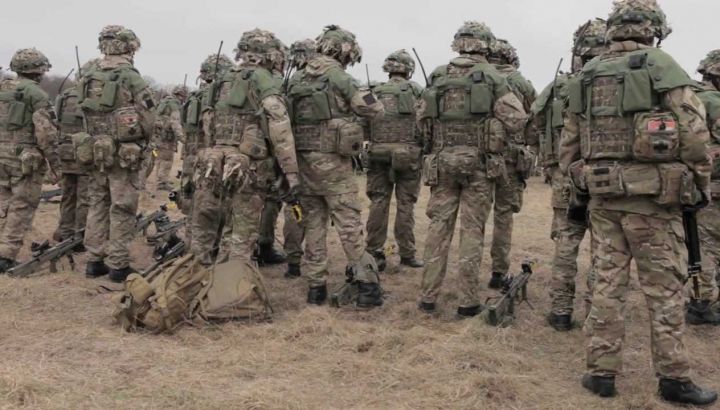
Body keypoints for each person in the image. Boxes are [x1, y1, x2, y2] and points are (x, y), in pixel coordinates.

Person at [559, 0, 717, 405]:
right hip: (654, 203)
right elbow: (694, 133)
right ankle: (674, 378)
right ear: (653, 29)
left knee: (606, 286)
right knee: (663, 291)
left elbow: (569, 144)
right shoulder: (661, 65)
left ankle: (601, 373)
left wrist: (582, 180)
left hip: (603, 198)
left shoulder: (587, 74)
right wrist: (698, 184)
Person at [417, 21, 527, 316]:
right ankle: (467, 302)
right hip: (479, 166)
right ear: (486, 45)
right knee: (472, 231)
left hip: (442, 164)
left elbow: (421, 118)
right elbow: (517, 119)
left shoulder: (439, 75)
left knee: (438, 228)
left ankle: (427, 298)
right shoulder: (492, 76)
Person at [286, 25, 385, 307]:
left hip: (304, 164)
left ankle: (316, 287)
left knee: (313, 225)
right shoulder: (340, 77)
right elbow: (374, 108)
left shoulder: (296, 78)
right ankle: (367, 287)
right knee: (348, 223)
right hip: (334, 166)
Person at [199, 29, 300, 273]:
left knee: (229, 223)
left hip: (219, 160)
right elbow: (280, 127)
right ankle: (234, 282)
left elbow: (207, 120)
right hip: (249, 166)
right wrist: (290, 171)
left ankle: (221, 273)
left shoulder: (223, 78)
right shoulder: (262, 78)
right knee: (244, 229)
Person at [533, 18, 607, 331]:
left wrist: (552, 164)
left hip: (567, 176)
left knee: (566, 244)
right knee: (603, 249)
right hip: (606, 176)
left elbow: (536, 123)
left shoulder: (559, 87)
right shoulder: (616, 79)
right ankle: (595, 312)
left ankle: (561, 311)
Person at [81, 25, 156, 282]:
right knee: (122, 207)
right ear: (129, 46)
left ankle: (94, 261)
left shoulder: (88, 76)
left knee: (97, 204)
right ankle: (118, 265)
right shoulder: (130, 76)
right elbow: (148, 114)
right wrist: (144, 139)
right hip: (125, 154)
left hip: (95, 150)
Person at [0, 48, 59, 272]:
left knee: (3, 203)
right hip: (24, 160)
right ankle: (5, 255)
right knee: (21, 206)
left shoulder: (2, 88)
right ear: (38, 70)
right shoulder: (36, 95)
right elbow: (47, 135)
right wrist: (56, 165)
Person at [365, 49, 424, 271]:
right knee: (406, 204)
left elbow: (363, 119)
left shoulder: (372, 92)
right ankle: (407, 253)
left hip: (378, 155)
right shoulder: (417, 90)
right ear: (408, 69)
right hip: (409, 156)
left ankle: (374, 252)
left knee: (378, 202)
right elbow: (425, 121)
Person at [486, 38, 536, 289]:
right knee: (504, 215)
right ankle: (498, 272)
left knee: (474, 217)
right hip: (510, 157)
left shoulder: (482, 77)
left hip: (483, 156)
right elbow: (532, 118)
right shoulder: (521, 82)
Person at [189, 53, 234, 265]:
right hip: (217, 157)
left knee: (201, 210)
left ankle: (199, 256)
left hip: (202, 158)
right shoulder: (223, 96)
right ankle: (217, 258)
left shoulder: (198, 98)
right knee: (223, 210)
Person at [53, 59, 101, 253]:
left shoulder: (64, 96)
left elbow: (56, 121)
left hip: (65, 151)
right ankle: (79, 236)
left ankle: (64, 231)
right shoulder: (92, 97)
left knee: (68, 195)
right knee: (84, 197)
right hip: (84, 153)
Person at [687, 50, 720, 325]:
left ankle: (700, 299)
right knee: (709, 247)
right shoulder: (713, 102)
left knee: (701, 245)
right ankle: (704, 304)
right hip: (714, 185)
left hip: (698, 183)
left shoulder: (691, 98)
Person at [281, 39, 316, 279]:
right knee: (317, 210)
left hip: (293, 154)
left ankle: (293, 261)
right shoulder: (325, 80)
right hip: (321, 155)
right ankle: (315, 261)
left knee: (294, 207)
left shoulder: (287, 83)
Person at [153, 85, 186, 191]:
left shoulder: (164, 101)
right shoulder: (174, 104)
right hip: (167, 137)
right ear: (180, 95)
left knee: (160, 159)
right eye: (182, 96)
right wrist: (182, 138)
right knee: (167, 160)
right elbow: (175, 123)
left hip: (158, 135)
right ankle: (162, 182)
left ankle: (161, 179)